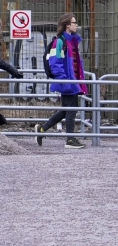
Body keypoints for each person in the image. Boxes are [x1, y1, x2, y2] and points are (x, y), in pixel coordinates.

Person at [36, 13, 87, 149]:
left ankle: (42, 129)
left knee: (66, 110)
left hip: (72, 81)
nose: (76, 25)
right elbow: (55, 62)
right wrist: (64, 80)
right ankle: (69, 140)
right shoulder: (60, 42)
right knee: (71, 110)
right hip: (67, 82)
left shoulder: (72, 41)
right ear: (67, 25)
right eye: (74, 22)